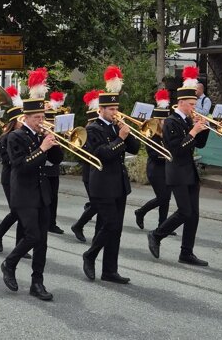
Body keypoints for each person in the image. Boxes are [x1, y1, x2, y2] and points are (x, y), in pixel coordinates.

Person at [1, 68, 62, 300]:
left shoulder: (41, 136)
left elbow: (55, 161)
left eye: (42, 118)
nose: (41, 122)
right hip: (24, 193)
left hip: (42, 193)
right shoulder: (15, 137)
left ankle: (37, 282)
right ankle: (10, 263)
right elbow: (20, 165)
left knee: (42, 241)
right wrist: (42, 149)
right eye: (37, 118)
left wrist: (54, 145)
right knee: (32, 235)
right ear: (25, 118)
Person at [82, 65, 140, 283]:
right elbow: (102, 154)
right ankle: (90, 255)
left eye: (117, 108)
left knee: (113, 229)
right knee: (111, 224)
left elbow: (134, 149)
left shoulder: (119, 127)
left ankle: (109, 270)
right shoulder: (93, 129)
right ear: (101, 110)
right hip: (102, 184)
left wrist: (127, 132)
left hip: (119, 184)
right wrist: (120, 138)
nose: (115, 112)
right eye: (111, 109)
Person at [148, 66, 210, 267]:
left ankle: (186, 252)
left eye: (195, 104)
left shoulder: (190, 120)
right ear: (180, 103)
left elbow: (199, 145)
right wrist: (193, 131)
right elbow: (177, 149)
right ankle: (157, 235)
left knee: (194, 215)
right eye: (191, 104)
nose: (194, 107)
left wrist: (203, 129)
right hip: (176, 171)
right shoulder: (171, 122)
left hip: (189, 171)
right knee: (184, 211)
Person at [0, 86, 27, 254]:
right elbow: (7, 160)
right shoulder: (6, 137)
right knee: (16, 210)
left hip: (23, 176)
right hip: (10, 177)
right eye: (22, 119)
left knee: (22, 211)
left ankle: (20, 244)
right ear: (14, 121)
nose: (24, 122)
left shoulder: (26, 136)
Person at [134, 89, 173, 230]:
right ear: (157, 121)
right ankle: (140, 212)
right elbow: (153, 154)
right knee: (162, 197)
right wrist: (169, 156)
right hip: (155, 169)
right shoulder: (151, 134)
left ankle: (162, 225)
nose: (166, 123)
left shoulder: (167, 133)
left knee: (166, 199)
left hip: (167, 168)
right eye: (163, 120)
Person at [69, 89, 102, 243]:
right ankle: (78, 225)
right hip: (90, 174)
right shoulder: (88, 131)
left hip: (98, 173)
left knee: (98, 204)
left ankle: (96, 231)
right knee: (97, 204)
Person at [44, 91, 65, 235]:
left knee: (54, 197)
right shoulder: (40, 133)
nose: (50, 124)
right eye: (49, 121)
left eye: (53, 122)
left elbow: (59, 156)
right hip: (41, 169)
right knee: (45, 198)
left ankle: (52, 223)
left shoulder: (56, 133)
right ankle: (45, 222)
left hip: (53, 169)